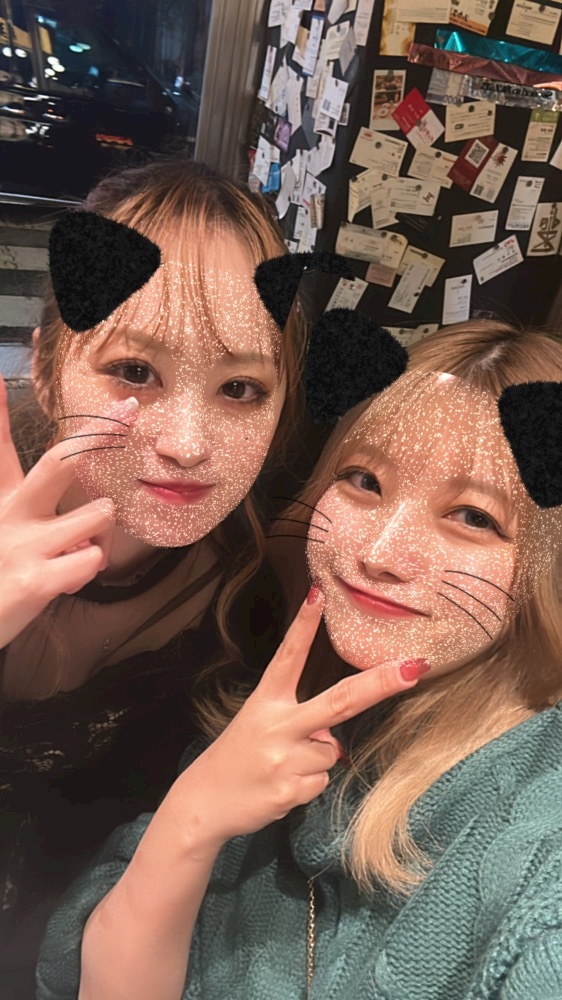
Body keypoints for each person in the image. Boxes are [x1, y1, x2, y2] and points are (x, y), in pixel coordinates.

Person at [35, 319, 562, 1000]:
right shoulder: (268, 716)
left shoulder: (541, 860)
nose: (380, 554)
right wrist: (191, 822)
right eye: (364, 479)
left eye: (473, 517)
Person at [0, 157, 309, 993]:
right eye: (134, 371)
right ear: (45, 368)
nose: (187, 445)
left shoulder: (256, 607)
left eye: (240, 388)